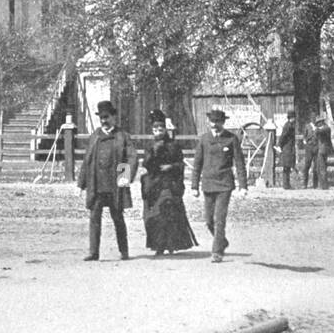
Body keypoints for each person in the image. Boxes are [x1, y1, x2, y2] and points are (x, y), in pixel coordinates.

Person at [77, 101, 136, 261]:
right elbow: (87, 160)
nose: (104, 120)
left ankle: (124, 252)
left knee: (118, 218)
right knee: (94, 218)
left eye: (107, 117)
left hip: (115, 185)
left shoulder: (122, 136)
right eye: (102, 117)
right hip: (96, 185)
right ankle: (93, 252)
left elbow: (131, 157)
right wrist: (81, 183)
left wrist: (125, 177)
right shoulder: (95, 136)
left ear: (113, 117)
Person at [191, 108, 247, 263]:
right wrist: (194, 185)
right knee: (209, 220)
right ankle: (221, 241)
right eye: (212, 122)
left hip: (224, 185)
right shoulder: (204, 139)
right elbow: (197, 163)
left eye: (218, 122)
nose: (215, 125)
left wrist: (243, 186)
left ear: (223, 123)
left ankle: (217, 252)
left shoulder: (231, 139)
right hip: (208, 184)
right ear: (209, 122)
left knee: (219, 219)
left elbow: (240, 163)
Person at [139, 109, 197, 256]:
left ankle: (171, 244)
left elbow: (181, 164)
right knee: (155, 215)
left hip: (170, 183)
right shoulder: (150, 147)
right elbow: (146, 165)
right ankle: (158, 245)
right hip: (154, 185)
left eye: (160, 129)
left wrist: (171, 166)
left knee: (169, 214)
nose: (158, 131)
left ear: (165, 129)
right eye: (155, 129)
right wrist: (153, 153)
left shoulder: (174, 145)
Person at [308, 116, 333, 190]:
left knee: (322, 168)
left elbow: (318, 132)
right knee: (319, 167)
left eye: (319, 122)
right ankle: (321, 184)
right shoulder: (323, 128)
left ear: (322, 122)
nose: (318, 124)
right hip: (321, 150)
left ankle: (324, 185)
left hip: (323, 150)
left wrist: (315, 128)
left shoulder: (326, 128)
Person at [277, 108, 296, 189]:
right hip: (286, 148)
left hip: (289, 147)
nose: (294, 119)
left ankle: (287, 184)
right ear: (291, 117)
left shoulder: (290, 125)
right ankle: (285, 185)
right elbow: (283, 136)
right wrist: (279, 145)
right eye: (293, 117)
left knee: (288, 167)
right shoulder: (287, 126)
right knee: (286, 167)